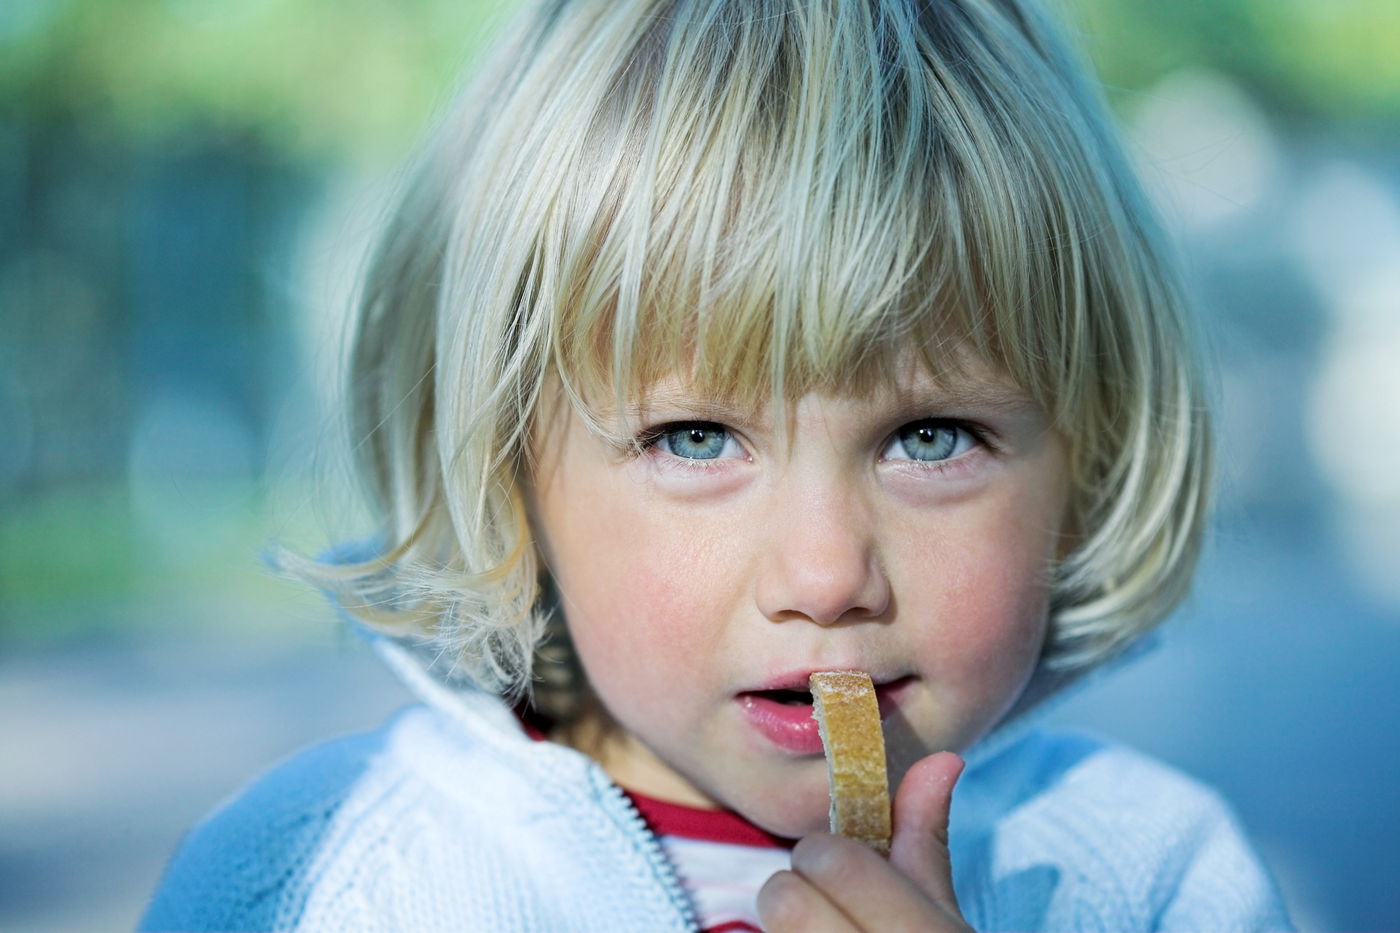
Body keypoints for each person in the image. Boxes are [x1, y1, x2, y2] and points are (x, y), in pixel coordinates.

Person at [140, 0, 1295, 930]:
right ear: (507, 473)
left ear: (1082, 465)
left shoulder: (1147, 877)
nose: (826, 573)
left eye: (927, 437)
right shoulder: (325, 881)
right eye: (693, 437)